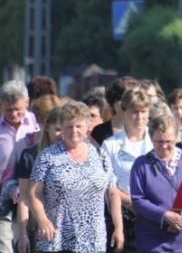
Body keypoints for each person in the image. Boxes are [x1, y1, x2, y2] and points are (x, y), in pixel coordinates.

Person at [28, 101, 124, 253]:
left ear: (87, 127)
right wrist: (43, 220)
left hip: (93, 240)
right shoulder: (47, 156)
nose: (74, 130)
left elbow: (113, 194)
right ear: (62, 128)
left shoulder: (100, 155)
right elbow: (33, 193)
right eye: (69, 126)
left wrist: (118, 228)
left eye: (78, 126)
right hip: (57, 239)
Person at [130, 115, 182, 253]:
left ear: (176, 138)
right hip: (152, 240)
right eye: (159, 141)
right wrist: (164, 215)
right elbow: (138, 200)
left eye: (169, 141)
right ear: (151, 138)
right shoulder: (141, 164)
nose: (164, 146)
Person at [101, 88, 153, 253]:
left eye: (143, 111)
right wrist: (132, 203)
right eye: (134, 112)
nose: (140, 117)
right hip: (123, 218)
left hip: (154, 218)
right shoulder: (110, 145)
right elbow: (107, 185)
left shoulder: (157, 142)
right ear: (123, 112)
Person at [16, 106, 64, 253]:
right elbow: (24, 198)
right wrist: (22, 234)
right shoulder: (30, 156)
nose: (62, 135)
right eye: (58, 129)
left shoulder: (75, 156)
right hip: (39, 227)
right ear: (47, 127)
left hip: (67, 227)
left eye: (66, 129)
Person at [0, 80, 40, 249]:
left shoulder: (37, 124)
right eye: (8, 110)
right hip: (3, 192)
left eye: (18, 109)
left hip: (33, 189)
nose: (14, 114)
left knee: (31, 241)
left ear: (27, 102)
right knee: (4, 242)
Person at [92, 77, 141, 146]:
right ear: (113, 102)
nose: (126, 104)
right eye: (121, 99)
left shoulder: (147, 131)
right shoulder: (99, 131)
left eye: (130, 100)